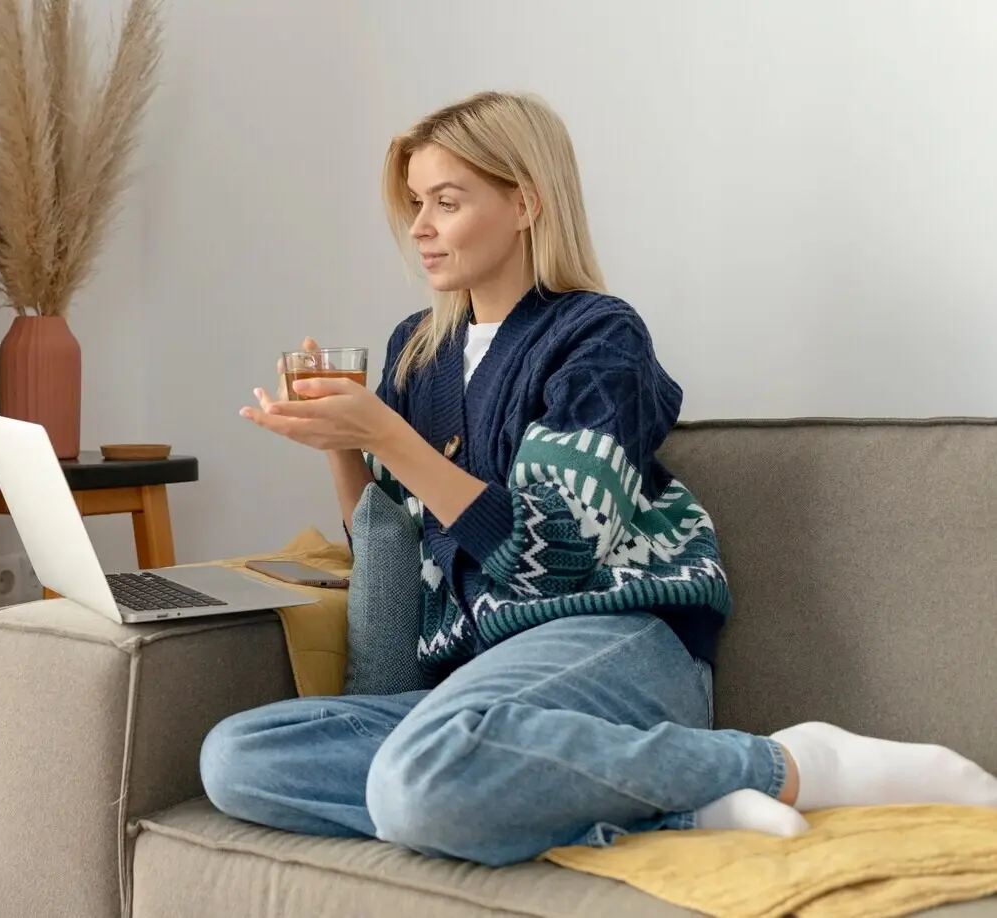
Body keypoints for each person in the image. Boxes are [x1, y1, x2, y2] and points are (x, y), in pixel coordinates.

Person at [201, 89, 997, 867]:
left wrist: (389, 437)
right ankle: (677, 800)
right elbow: (393, 545)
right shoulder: (418, 349)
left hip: (613, 642)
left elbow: (558, 555)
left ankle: (794, 765)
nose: (421, 228)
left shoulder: (600, 338)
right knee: (237, 758)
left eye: (447, 200)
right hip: (482, 690)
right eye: (415, 202)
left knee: (416, 787)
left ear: (526, 203)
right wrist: (342, 441)